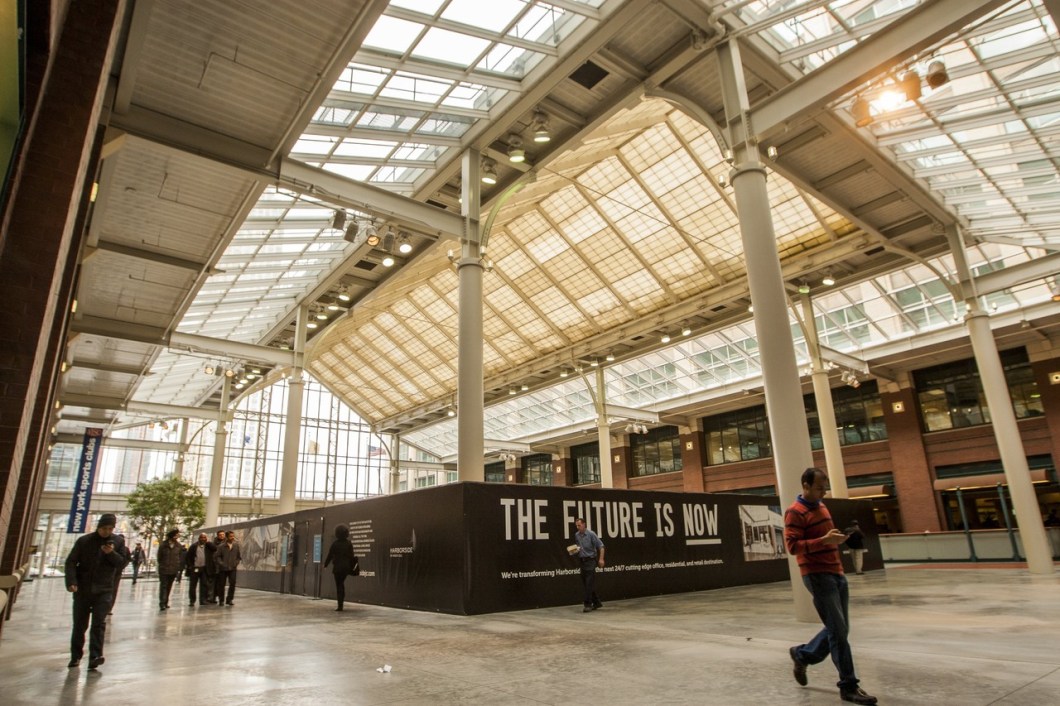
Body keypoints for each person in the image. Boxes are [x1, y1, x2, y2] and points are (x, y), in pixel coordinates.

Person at [786, 468, 878, 705]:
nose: (823, 492)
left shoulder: (822, 506)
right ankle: (848, 686)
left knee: (840, 629)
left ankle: (803, 654)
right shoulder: (795, 512)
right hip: (817, 575)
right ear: (805, 486)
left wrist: (834, 538)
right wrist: (824, 540)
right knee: (838, 631)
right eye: (819, 488)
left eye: (824, 488)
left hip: (836, 573)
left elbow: (823, 537)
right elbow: (793, 546)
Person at [64, 513, 128, 670]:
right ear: (99, 527)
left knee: (99, 624)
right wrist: (72, 582)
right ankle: (76, 656)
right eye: (104, 528)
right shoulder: (84, 541)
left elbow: (122, 563)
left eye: (110, 529)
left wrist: (110, 553)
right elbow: (71, 562)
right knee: (80, 625)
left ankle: (95, 656)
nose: (107, 531)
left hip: (104, 589)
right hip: (83, 590)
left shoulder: (118, 542)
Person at [323, 525, 359, 611]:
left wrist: (325, 565)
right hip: (346, 568)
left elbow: (330, 555)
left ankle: (340, 606)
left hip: (337, 568)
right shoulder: (349, 543)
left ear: (337, 533)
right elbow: (351, 556)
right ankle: (341, 604)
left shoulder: (335, 544)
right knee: (341, 584)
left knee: (339, 585)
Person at [572, 517, 605, 613]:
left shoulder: (591, 534)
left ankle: (588, 604)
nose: (578, 527)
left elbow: (601, 546)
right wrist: (575, 550)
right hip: (582, 561)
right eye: (577, 526)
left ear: (584, 524)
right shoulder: (577, 535)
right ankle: (597, 602)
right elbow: (579, 547)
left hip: (591, 561)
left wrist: (601, 559)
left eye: (579, 525)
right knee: (587, 584)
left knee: (588, 583)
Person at [185, 532, 217, 606]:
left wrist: (208, 542)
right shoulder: (193, 546)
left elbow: (215, 549)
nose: (203, 539)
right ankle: (192, 600)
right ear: (199, 538)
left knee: (204, 585)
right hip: (195, 568)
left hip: (204, 568)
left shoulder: (208, 546)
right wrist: (190, 566)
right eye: (202, 537)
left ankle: (203, 600)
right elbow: (188, 557)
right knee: (193, 585)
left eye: (205, 537)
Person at [156, 529, 183, 611]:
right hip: (164, 569)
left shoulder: (178, 546)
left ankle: (166, 601)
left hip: (173, 569)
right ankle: (162, 603)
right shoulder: (163, 545)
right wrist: (162, 565)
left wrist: (177, 566)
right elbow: (159, 557)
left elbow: (179, 556)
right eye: (176, 535)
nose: (177, 536)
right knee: (163, 586)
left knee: (169, 586)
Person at [215, 530, 241, 606]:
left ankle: (229, 599)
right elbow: (217, 557)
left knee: (232, 584)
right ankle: (221, 600)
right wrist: (221, 564)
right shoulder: (221, 546)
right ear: (226, 537)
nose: (232, 538)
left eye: (233, 536)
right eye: (230, 536)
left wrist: (236, 563)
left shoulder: (236, 545)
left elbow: (238, 557)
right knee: (221, 585)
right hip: (223, 569)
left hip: (232, 568)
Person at [211, 530, 227, 604]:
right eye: (220, 535)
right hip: (215, 566)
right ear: (217, 535)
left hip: (224, 567)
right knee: (215, 583)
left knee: (221, 584)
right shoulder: (214, 544)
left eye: (223, 534)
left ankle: (221, 598)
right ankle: (213, 597)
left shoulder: (227, 543)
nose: (222, 536)